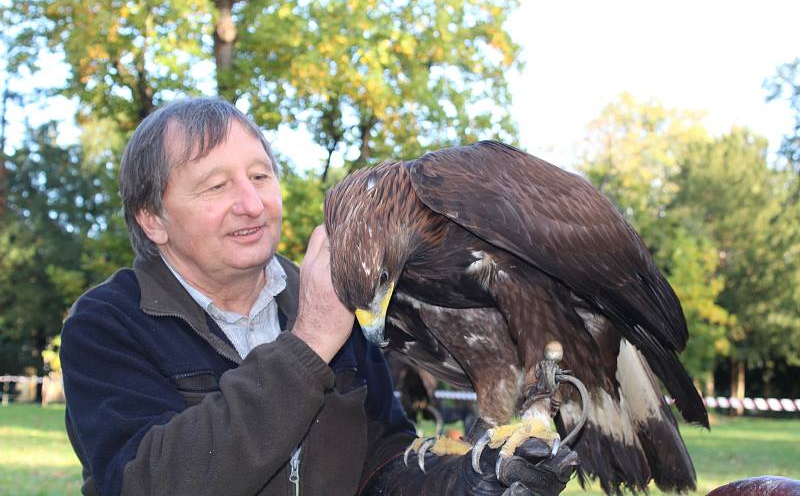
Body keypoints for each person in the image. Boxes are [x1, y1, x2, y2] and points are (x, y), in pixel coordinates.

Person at [61, 97, 576, 496]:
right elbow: (148, 484)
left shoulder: (337, 297)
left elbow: (381, 462)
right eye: (215, 187)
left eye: (261, 176)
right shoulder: (109, 323)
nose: (251, 203)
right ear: (154, 220)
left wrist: (466, 480)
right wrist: (308, 343)